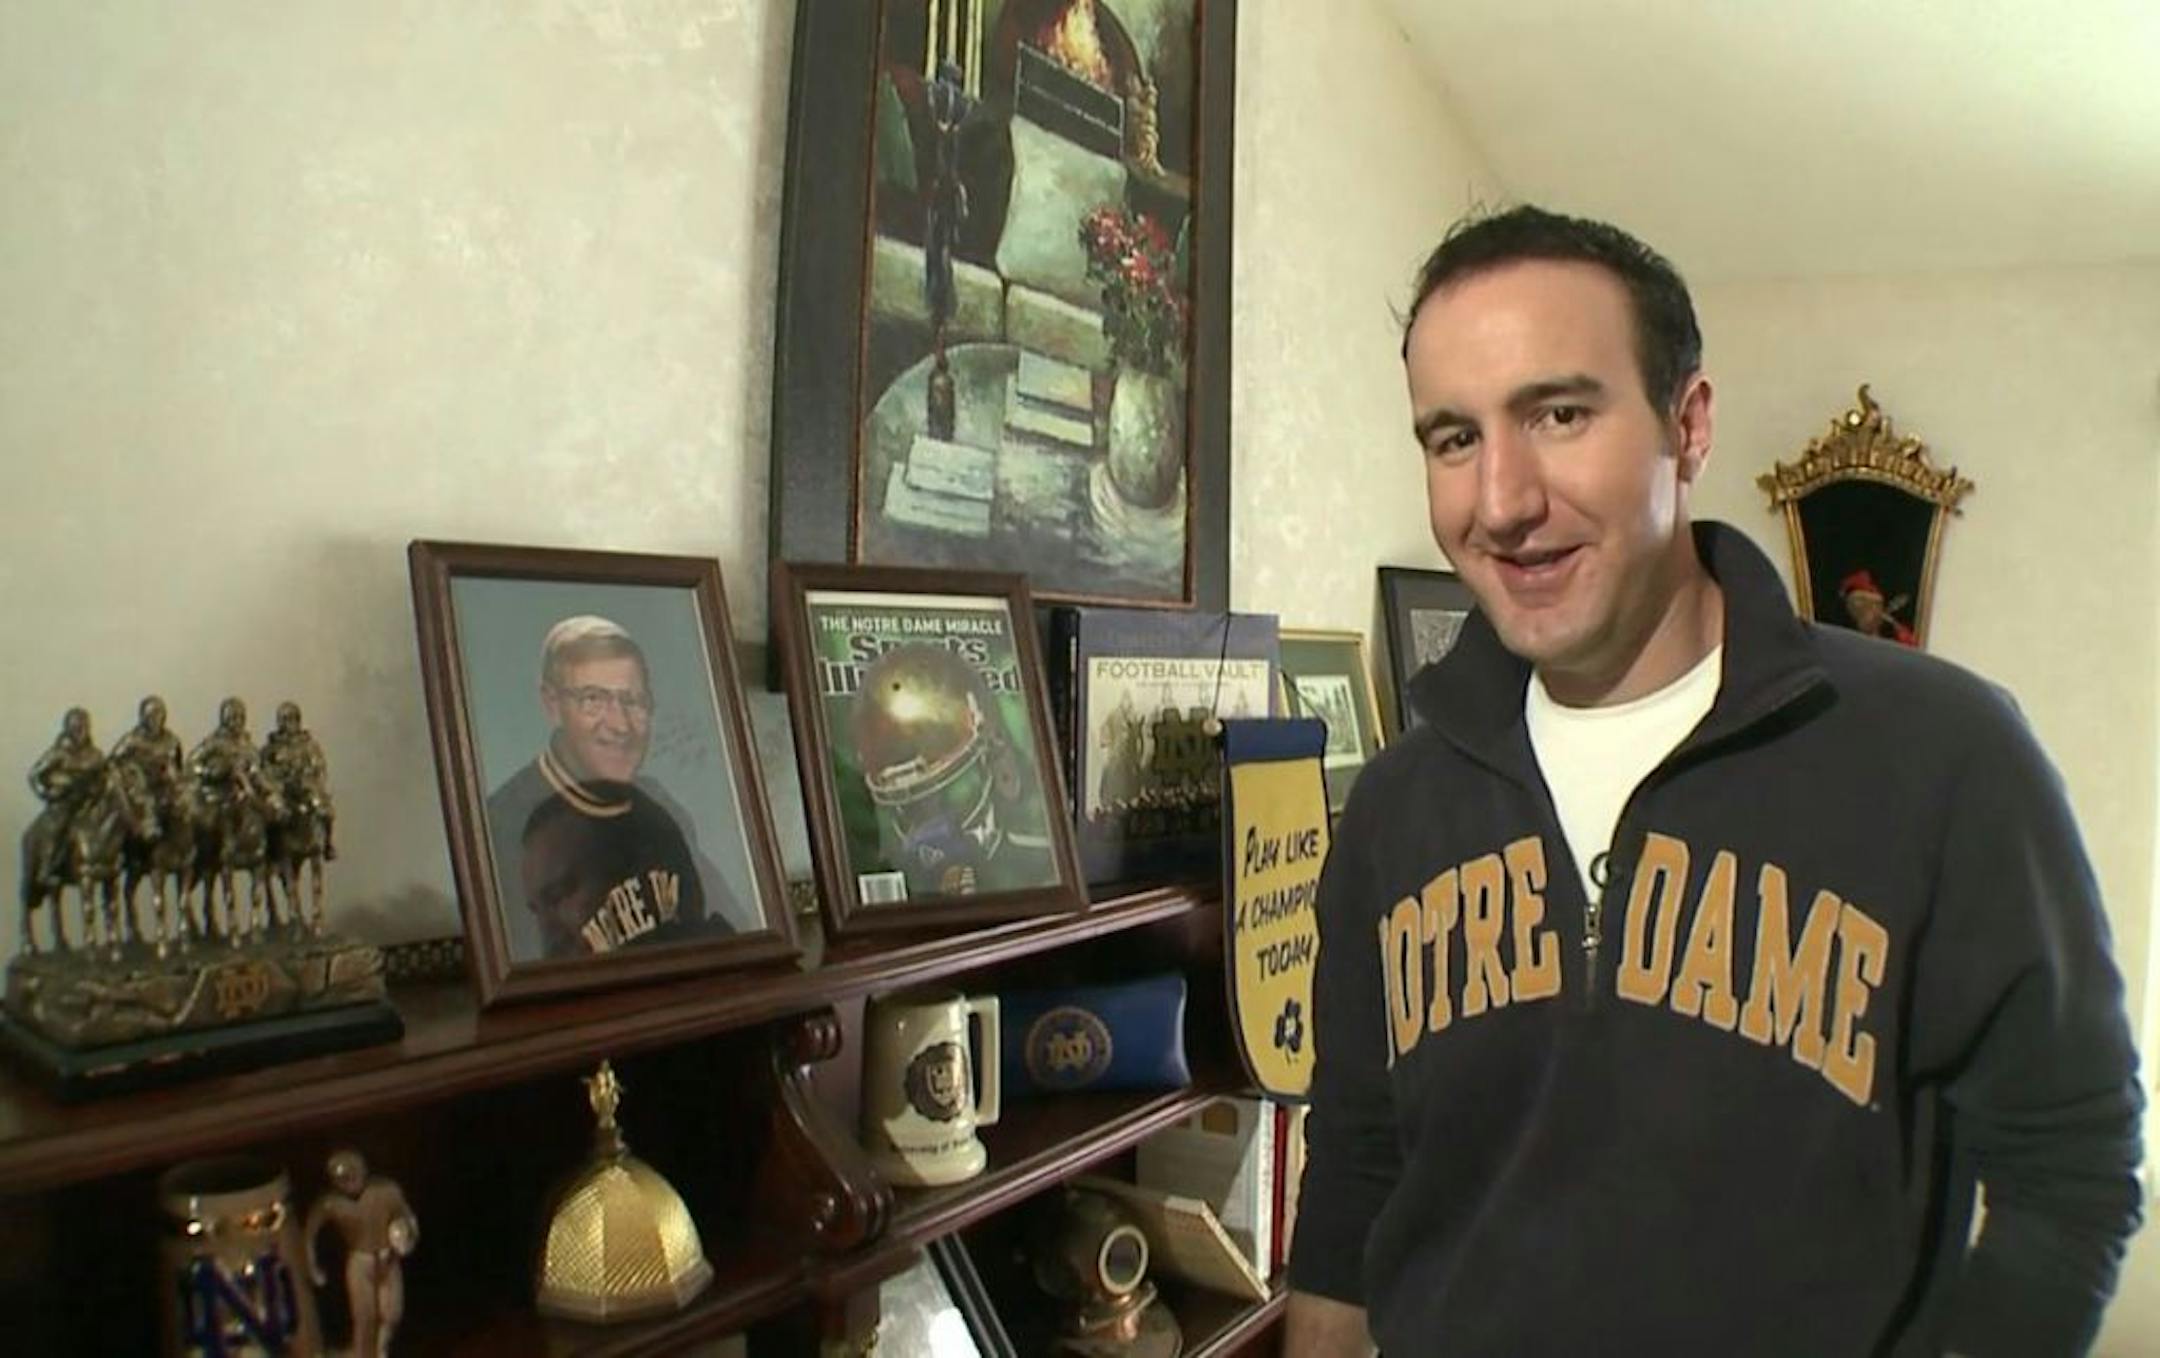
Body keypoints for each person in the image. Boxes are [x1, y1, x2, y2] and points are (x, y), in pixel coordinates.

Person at [1286, 206, 2141, 1357]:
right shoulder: (1395, 808)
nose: (1501, 500)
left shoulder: (1946, 757)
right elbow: (1354, 1178)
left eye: (1558, 413)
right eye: (1452, 437)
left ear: (1687, 427)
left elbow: (2069, 1172)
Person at [486, 615, 736, 958]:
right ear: (552, 704)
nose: (620, 725)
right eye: (593, 700)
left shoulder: (660, 806)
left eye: (633, 702)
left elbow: (732, 931)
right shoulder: (503, 825)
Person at [304, 1149, 418, 1358]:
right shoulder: (330, 1203)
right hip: (359, 1259)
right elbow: (311, 1233)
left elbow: (407, 1216)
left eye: (352, 1174)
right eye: (342, 1178)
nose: (348, 1181)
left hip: (388, 1256)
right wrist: (312, 1266)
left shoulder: (386, 1190)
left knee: (392, 1313)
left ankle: (380, 1348)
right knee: (364, 1317)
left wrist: (406, 1239)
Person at [26, 707, 106, 889]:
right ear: (68, 730)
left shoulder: (96, 754)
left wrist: (98, 789)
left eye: (84, 727)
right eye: (76, 728)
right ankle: (46, 868)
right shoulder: (58, 753)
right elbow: (34, 775)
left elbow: (104, 777)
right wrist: (46, 792)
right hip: (64, 803)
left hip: (89, 802)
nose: (81, 732)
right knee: (57, 826)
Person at [261, 700, 336, 859]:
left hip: (305, 787)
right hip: (282, 790)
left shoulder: (309, 745)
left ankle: (328, 845)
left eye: (291, 719)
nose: (287, 724)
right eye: (284, 720)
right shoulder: (271, 747)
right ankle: (269, 848)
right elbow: (264, 770)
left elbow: (319, 767)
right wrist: (276, 782)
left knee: (325, 810)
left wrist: (312, 779)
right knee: (272, 813)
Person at [1841, 567, 1920, 646]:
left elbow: (1911, 648)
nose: (1870, 612)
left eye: (1873, 606)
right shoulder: (1848, 639)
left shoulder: (1896, 635)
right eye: (1859, 610)